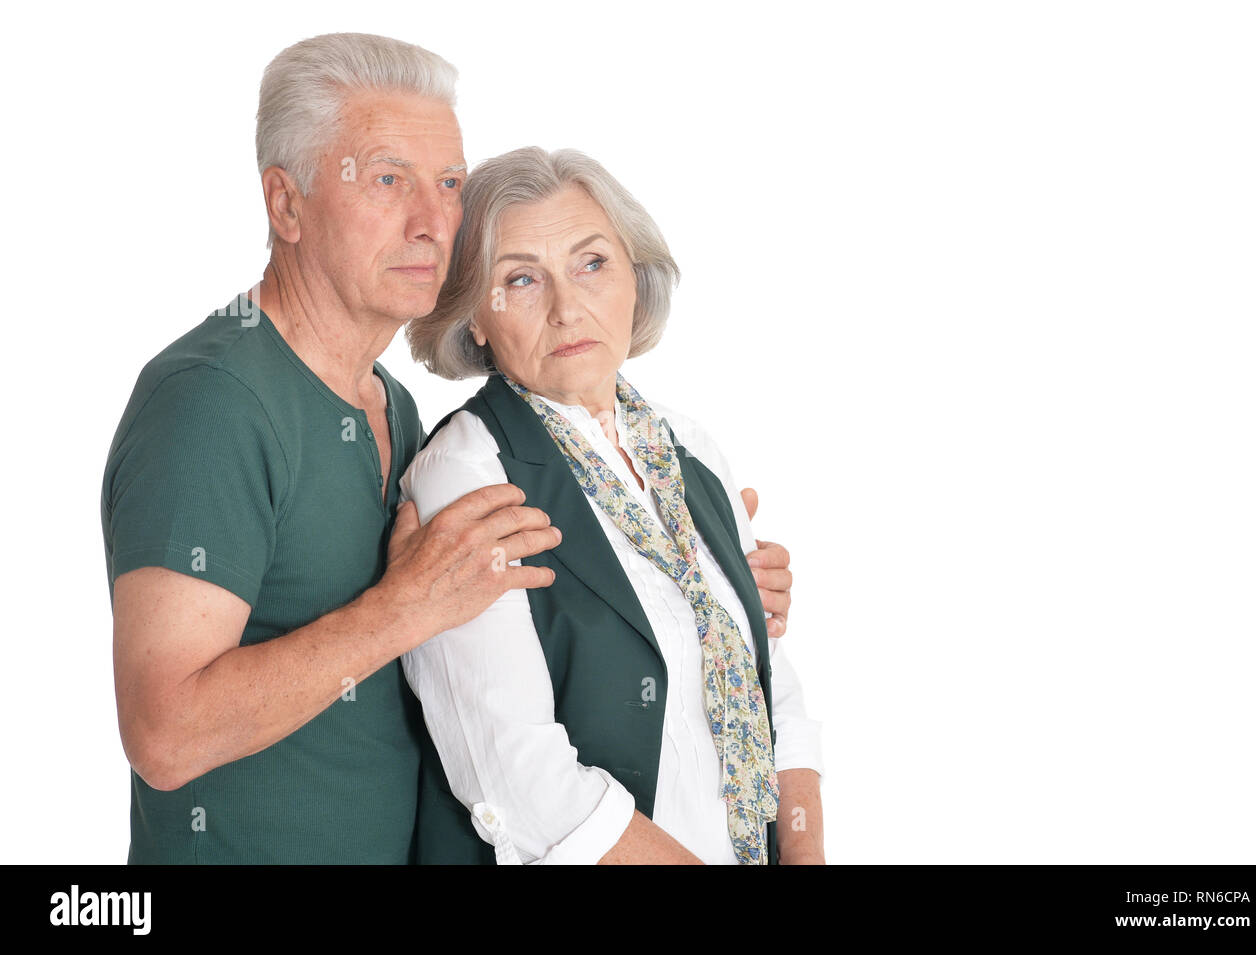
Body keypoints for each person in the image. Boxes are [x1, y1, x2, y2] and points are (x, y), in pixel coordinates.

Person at [99, 33, 796, 864]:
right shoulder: (212, 402)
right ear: (285, 205)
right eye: (388, 179)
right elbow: (164, 734)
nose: (433, 223)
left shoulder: (388, 403)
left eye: (450, 184)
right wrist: (404, 607)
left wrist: (698, 596)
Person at [399, 147, 825, 864]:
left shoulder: (689, 450)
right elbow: (519, 779)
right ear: (475, 315)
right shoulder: (468, 475)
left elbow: (771, 688)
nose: (568, 308)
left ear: (636, 279)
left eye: (592, 263)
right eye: (522, 279)